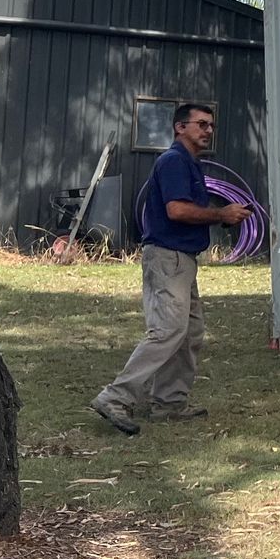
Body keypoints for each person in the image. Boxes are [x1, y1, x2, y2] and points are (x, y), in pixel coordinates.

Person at [89, 103, 251, 435]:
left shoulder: (190, 164)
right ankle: (115, 397)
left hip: (183, 259)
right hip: (168, 257)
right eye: (201, 124)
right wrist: (221, 214)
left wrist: (222, 216)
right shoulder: (174, 161)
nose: (208, 131)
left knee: (189, 333)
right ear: (180, 127)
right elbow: (176, 210)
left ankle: (169, 403)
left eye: (211, 126)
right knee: (167, 331)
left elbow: (186, 210)